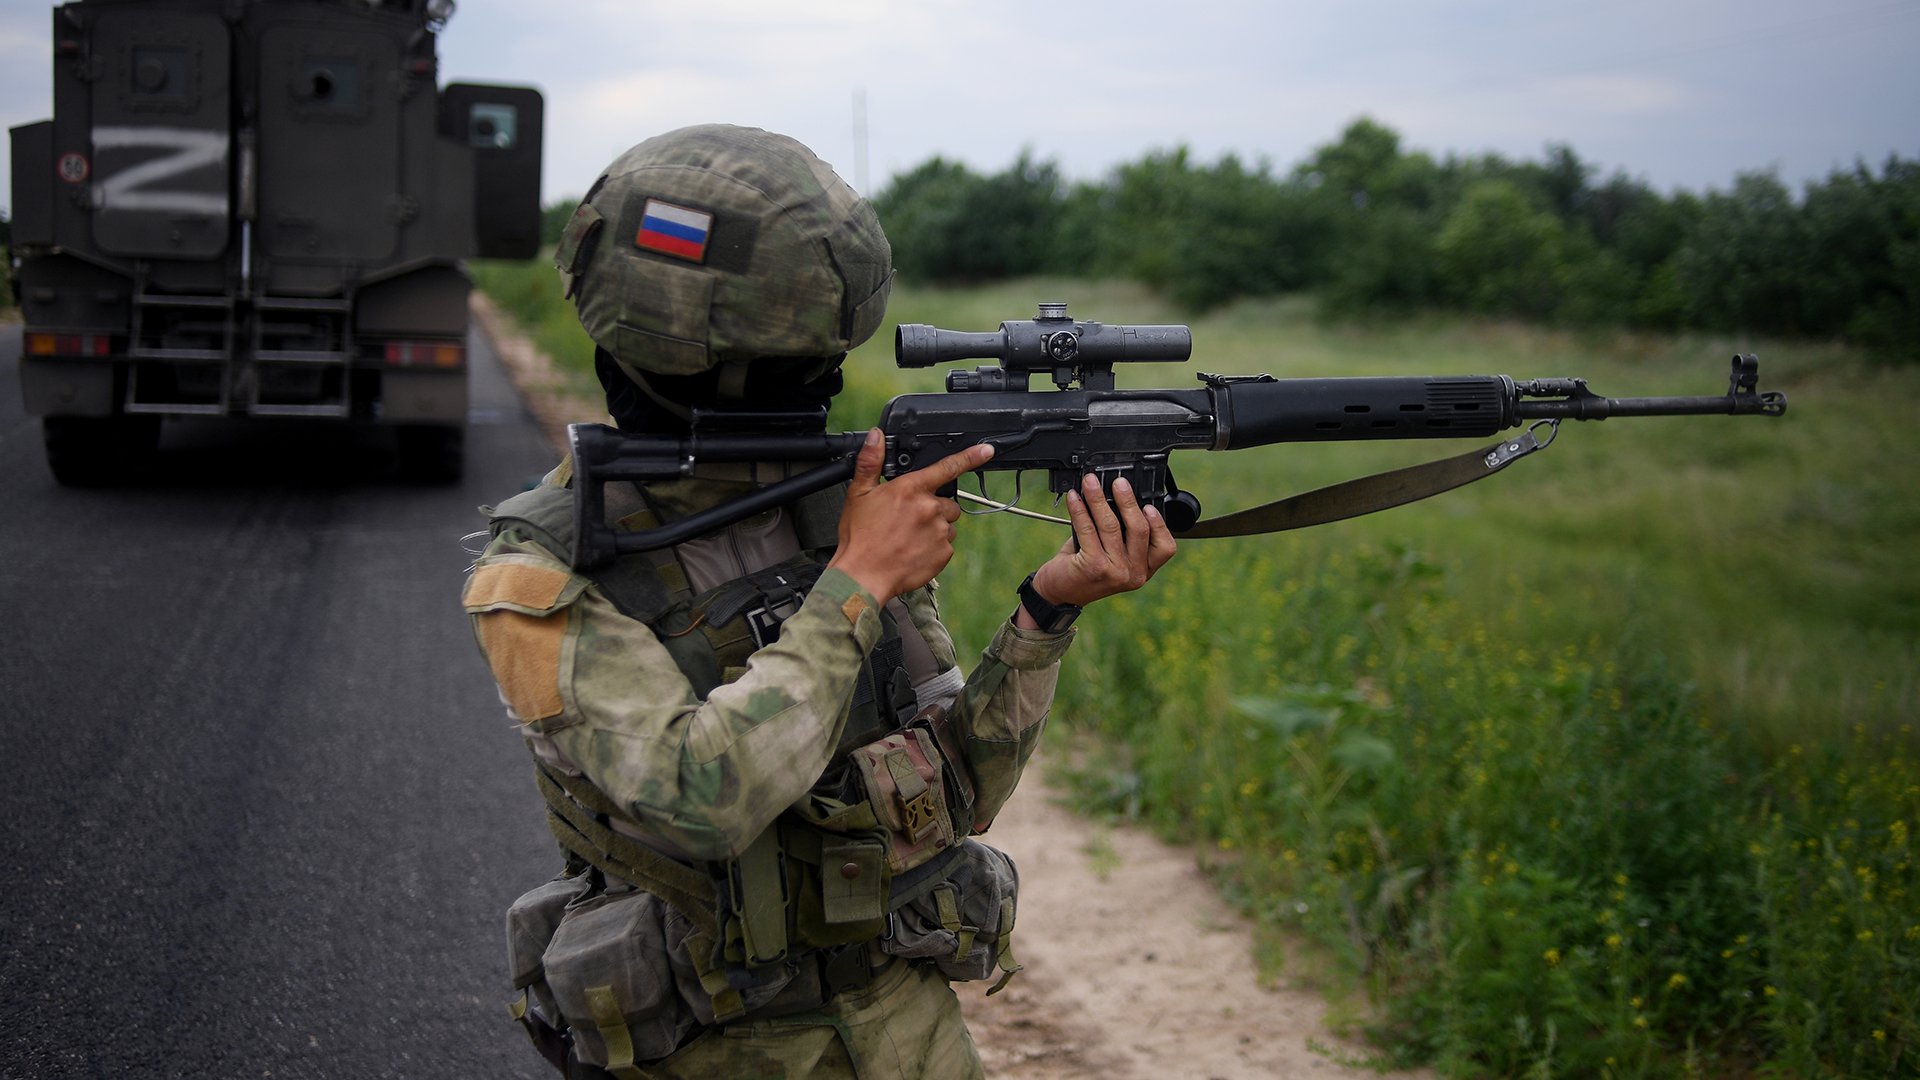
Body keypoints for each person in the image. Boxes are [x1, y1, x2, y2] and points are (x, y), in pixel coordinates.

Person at [462, 124, 1175, 1079]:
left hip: (907, 1032)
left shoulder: (827, 512)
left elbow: (957, 788)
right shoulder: (543, 577)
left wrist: (1047, 612)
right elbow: (698, 801)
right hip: (715, 1049)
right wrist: (859, 581)